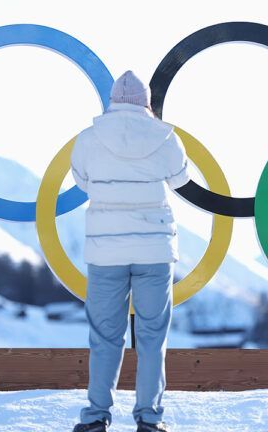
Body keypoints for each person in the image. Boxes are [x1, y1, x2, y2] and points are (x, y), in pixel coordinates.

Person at [71, 70, 189, 432]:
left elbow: (82, 181)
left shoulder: (88, 139)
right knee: (153, 337)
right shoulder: (166, 137)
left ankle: (95, 417)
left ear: (112, 101)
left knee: (105, 337)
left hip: (106, 252)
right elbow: (181, 178)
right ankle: (149, 419)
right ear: (146, 103)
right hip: (154, 250)